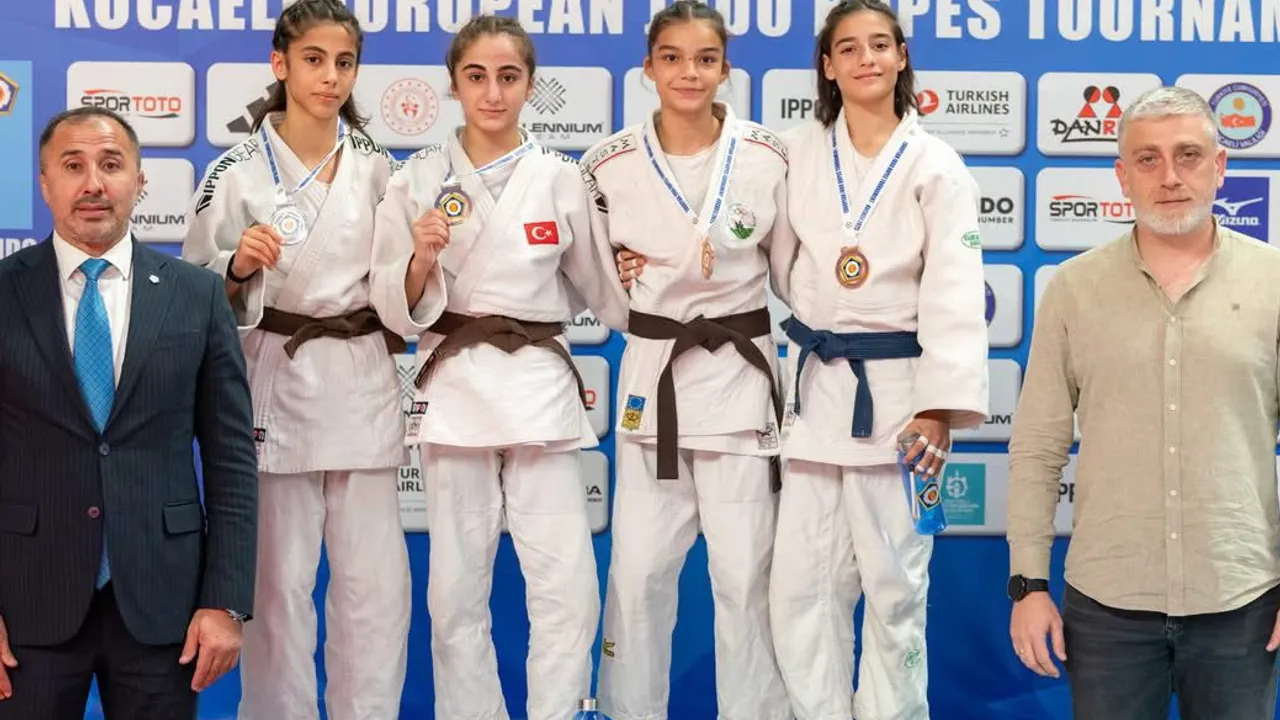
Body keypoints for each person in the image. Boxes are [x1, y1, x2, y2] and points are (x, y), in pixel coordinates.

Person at [368, 14, 630, 720]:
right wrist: (420, 260)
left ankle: (558, 712)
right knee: (456, 591)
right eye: (476, 76)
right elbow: (392, 307)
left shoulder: (561, 179)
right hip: (455, 388)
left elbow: (607, 291)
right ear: (453, 85)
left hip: (539, 390)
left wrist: (648, 274)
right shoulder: (417, 179)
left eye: (508, 77)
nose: (493, 93)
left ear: (530, 85)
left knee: (567, 585)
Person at [1007, 85, 1280, 720]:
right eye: (1148, 159)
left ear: (1220, 167)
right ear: (1122, 176)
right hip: (1108, 608)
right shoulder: (1074, 289)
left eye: (1189, 155)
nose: (1170, 176)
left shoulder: (1273, 282)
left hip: (1240, 602)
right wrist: (1028, 584)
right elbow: (1038, 446)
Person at [180, 1, 413, 717]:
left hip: (361, 377)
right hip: (276, 379)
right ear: (279, 64)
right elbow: (192, 291)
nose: (330, 76)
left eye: (344, 62)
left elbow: (402, 283)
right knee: (277, 588)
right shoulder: (235, 171)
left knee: (374, 589)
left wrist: (425, 258)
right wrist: (236, 266)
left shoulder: (378, 168)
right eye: (314, 59)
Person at [760, 2, 988, 718]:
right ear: (827, 65)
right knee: (800, 590)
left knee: (895, 592)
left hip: (899, 402)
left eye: (880, 45)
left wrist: (938, 409)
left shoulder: (936, 165)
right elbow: (766, 254)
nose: (866, 58)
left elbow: (954, 293)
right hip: (817, 397)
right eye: (849, 48)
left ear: (901, 57)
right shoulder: (793, 152)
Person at [0, 106, 257, 718]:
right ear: (44, 183)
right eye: (73, 166)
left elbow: (231, 461)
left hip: (165, 606)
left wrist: (225, 601)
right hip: (26, 604)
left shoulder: (197, 296)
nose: (93, 183)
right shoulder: (3, 292)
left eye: (111, 164)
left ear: (140, 181)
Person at [584, 2, 793, 718]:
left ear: (725, 68)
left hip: (740, 385)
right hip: (655, 383)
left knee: (747, 579)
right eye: (672, 58)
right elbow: (598, 283)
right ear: (648, 68)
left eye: (705, 59)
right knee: (638, 576)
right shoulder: (606, 163)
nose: (689, 73)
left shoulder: (767, 155)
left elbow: (791, 272)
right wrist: (635, 293)